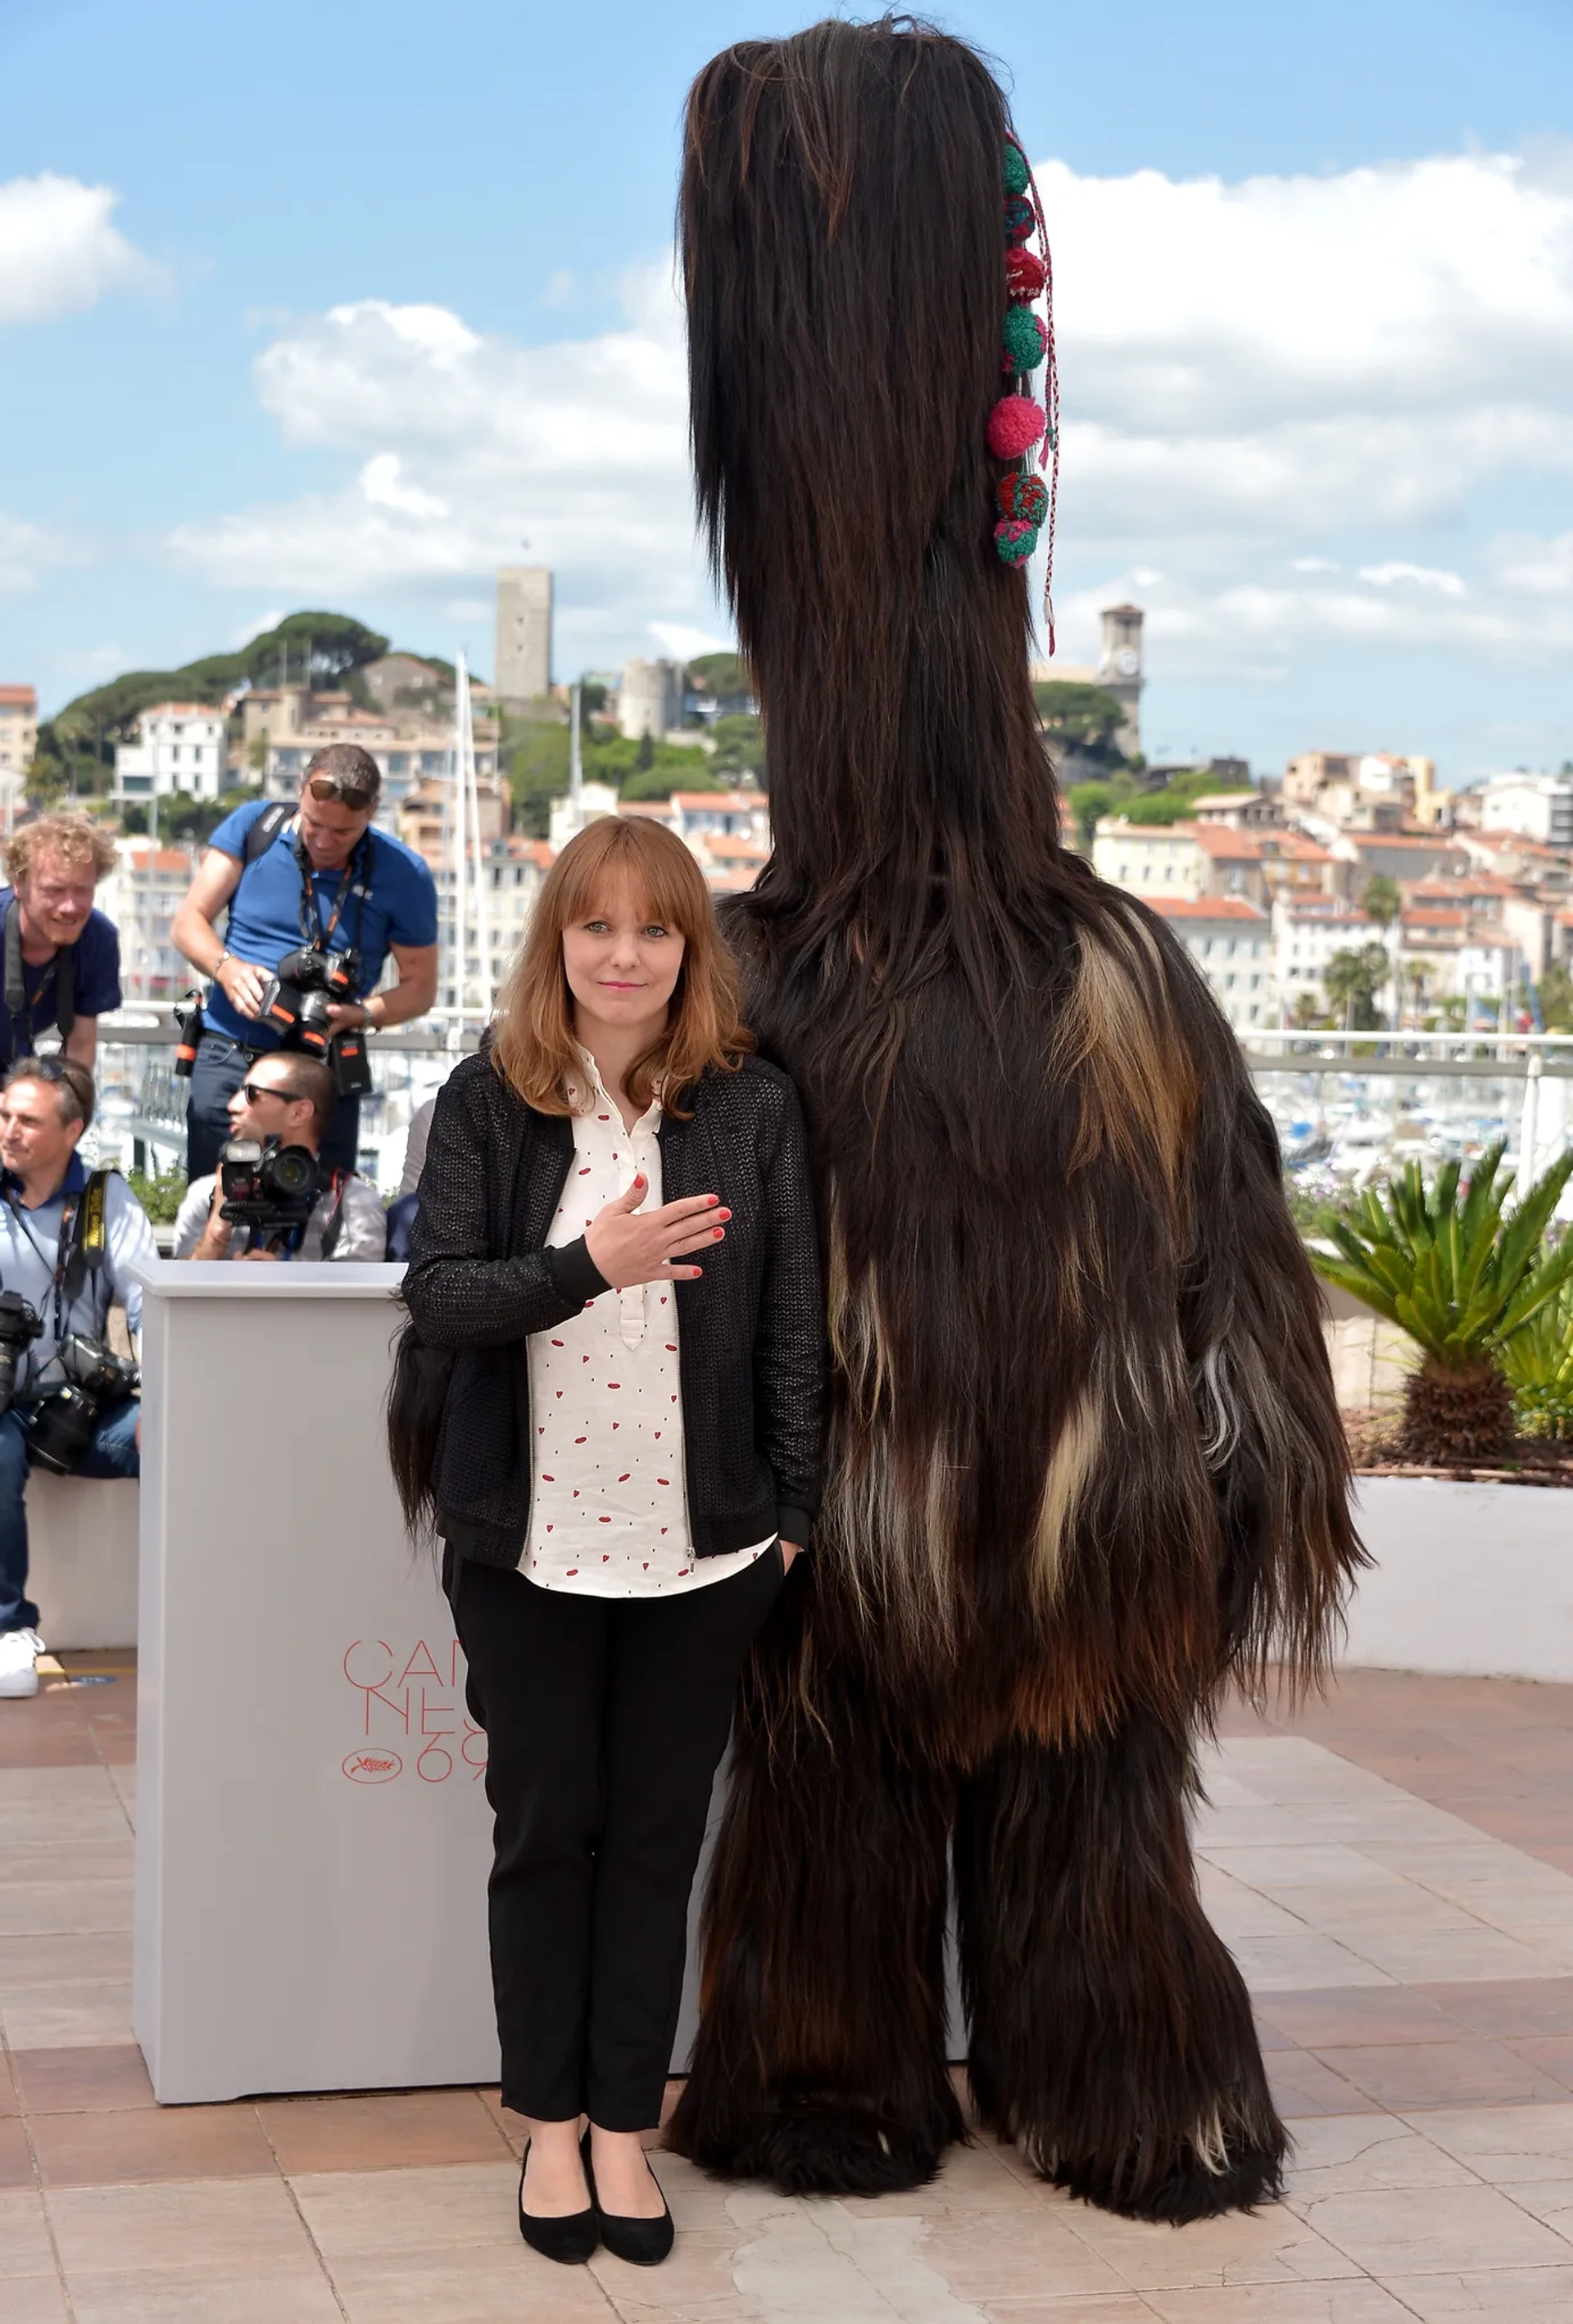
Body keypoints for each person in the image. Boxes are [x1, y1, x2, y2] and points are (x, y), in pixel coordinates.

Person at [667, 20, 1359, 2224]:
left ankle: (825, 2065)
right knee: (1090, 1802)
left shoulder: (758, 987)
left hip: (843, 1531)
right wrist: (1258, 1510)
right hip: (1100, 1530)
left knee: (830, 1788)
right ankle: (1134, 2078)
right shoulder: (1120, 977)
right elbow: (1243, 1291)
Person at [388, 817, 823, 2271]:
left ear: (690, 949)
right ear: (556, 942)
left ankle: (626, 2127)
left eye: (654, 929)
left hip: (702, 1558)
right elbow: (441, 1295)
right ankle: (548, 2123)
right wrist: (592, 1265)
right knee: (544, 1835)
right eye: (597, 927)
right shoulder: (489, 1100)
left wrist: (794, 1524)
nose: (624, 955)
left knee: (654, 1843)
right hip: (529, 1547)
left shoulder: (751, 1109)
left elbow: (791, 1332)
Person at [170, 745, 438, 1180]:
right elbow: (187, 922)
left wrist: (359, 1013)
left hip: (322, 1060)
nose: (324, 841)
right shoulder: (255, 826)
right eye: (314, 823)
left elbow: (420, 988)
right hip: (231, 1049)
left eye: (344, 832)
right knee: (214, 1196)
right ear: (300, 792)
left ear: (372, 813)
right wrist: (228, 969)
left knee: (316, 1213)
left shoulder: (404, 874)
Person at [0, 1058, 155, 1699]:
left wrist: (165, 1408)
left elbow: (151, 1305)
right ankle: (9, 1627)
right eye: (4, 1115)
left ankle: (211, 1613)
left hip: (80, 1408)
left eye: (28, 1120)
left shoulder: (104, 1199)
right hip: (3, 1406)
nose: (9, 1131)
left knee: (187, 1448)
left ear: (73, 1130)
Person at [173, 1053, 388, 1262]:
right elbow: (176, 1292)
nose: (233, 1106)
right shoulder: (208, 1193)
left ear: (299, 1113)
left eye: (251, 1094)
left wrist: (281, 1286)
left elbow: (355, 1297)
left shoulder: (352, 1204)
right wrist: (218, 1228)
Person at [0, 815, 122, 1071]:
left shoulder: (98, 940)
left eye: (82, 890)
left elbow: (79, 1050)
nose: (70, 907)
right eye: (54, 890)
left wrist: (68, 1106)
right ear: (18, 886)